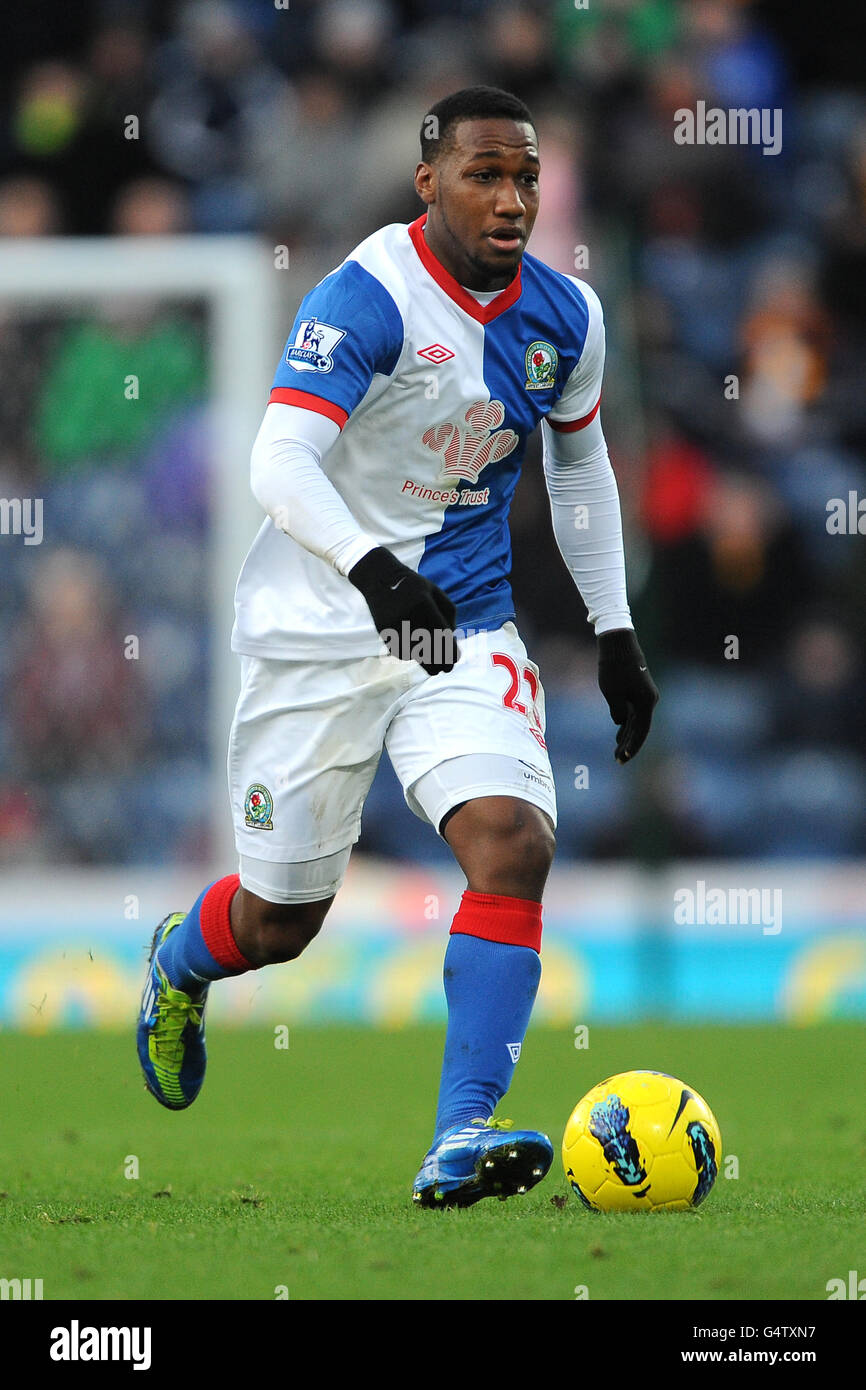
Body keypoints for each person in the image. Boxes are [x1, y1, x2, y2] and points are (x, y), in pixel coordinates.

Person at [137, 86, 658, 1209]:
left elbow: (578, 470)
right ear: (429, 183)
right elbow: (276, 461)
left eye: (523, 175)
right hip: (319, 628)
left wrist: (614, 629)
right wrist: (375, 572)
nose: (509, 197)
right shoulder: (367, 293)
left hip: (461, 623)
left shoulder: (566, 317)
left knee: (511, 843)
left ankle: (458, 1135)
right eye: (482, 173)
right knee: (283, 919)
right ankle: (181, 960)